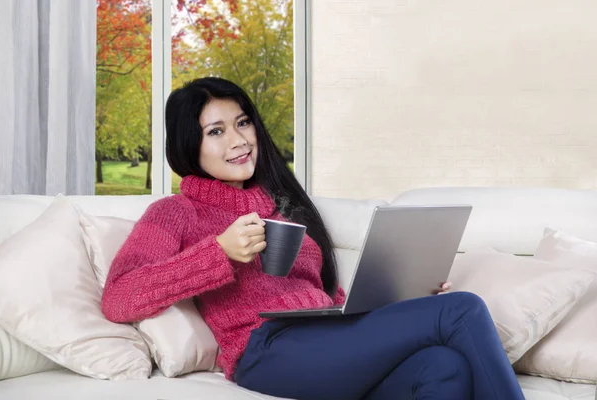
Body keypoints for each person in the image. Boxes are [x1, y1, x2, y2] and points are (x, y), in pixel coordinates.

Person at [101, 77, 525, 400]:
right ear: (188, 145)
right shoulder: (176, 213)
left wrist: (405, 298)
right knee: (462, 309)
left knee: (444, 366)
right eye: (216, 131)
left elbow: (321, 295)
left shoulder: (283, 208)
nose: (238, 140)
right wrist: (218, 254)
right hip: (267, 350)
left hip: (331, 336)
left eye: (243, 123)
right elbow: (119, 298)